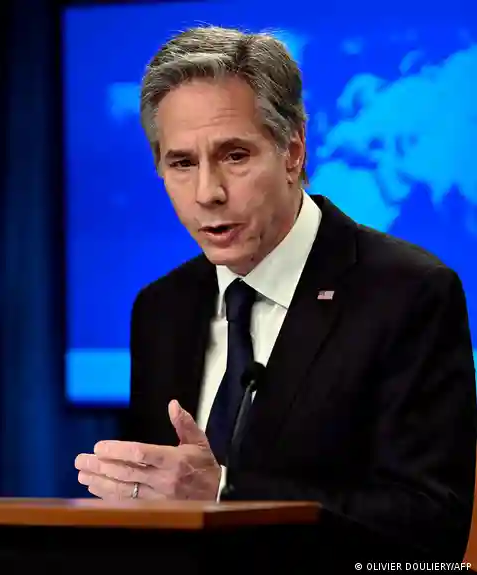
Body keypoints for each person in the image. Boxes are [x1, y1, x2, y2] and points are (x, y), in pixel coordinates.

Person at [75, 25, 477, 565]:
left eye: (234, 155)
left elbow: (430, 532)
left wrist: (225, 492)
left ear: (292, 151)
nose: (208, 193)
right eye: (182, 163)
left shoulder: (409, 294)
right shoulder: (161, 308)